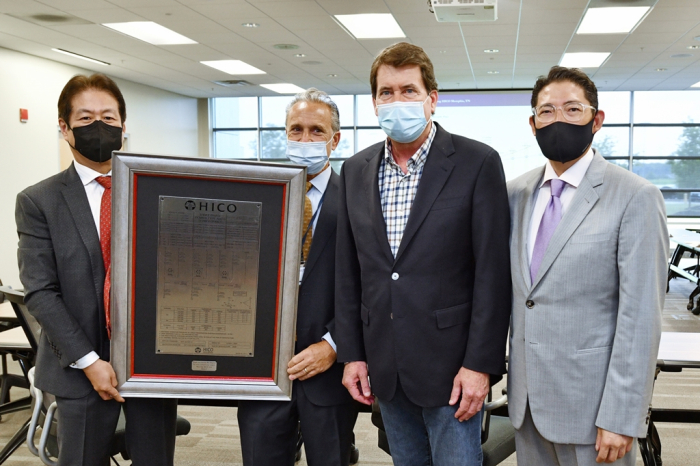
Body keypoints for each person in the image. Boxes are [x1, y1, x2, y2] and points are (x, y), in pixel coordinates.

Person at [335, 42, 511, 466]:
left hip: (453, 370)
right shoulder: (355, 170)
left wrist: (480, 366)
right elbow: (349, 272)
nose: (397, 101)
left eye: (409, 91)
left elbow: (492, 274)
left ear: (432, 99)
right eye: (387, 92)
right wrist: (353, 354)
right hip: (386, 365)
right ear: (374, 103)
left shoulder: (477, 162)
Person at [507, 66, 668, 465]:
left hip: (596, 413)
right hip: (528, 407)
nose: (558, 120)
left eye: (572, 109)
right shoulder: (514, 194)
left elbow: (641, 317)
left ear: (596, 120)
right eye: (546, 112)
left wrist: (622, 416)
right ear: (532, 124)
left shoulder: (635, 196)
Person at [16, 73, 178, 466]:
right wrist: (90, 362)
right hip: (78, 369)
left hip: (152, 367)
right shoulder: (39, 201)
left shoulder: (160, 189)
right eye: (86, 119)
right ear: (64, 127)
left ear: (124, 124)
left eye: (108, 117)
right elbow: (40, 290)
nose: (99, 126)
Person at [237, 88, 358, 466]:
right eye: (296, 130)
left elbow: (370, 283)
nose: (305, 139)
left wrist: (334, 344)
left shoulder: (357, 199)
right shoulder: (256, 195)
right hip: (263, 371)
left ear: (335, 140)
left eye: (316, 131)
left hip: (328, 371)